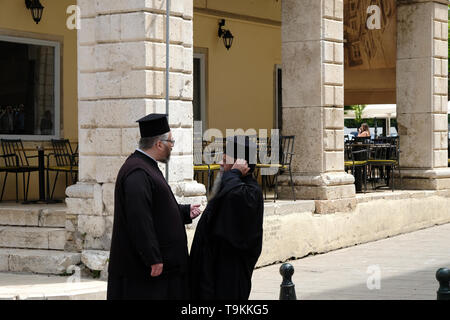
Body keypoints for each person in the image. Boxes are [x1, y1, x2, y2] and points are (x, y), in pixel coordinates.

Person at [107, 113, 202, 300]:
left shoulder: (146, 166)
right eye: (171, 143)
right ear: (159, 144)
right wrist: (153, 258)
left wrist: (183, 212)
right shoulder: (137, 171)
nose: (172, 148)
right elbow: (138, 218)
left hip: (160, 269)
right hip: (145, 272)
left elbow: (156, 207)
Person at [189, 135, 264, 300]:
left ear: (241, 163)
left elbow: (232, 198)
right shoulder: (233, 185)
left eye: (225, 159)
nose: (221, 164)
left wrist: (234, 173)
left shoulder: (247, 192)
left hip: (229, 275)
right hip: (213, 271)